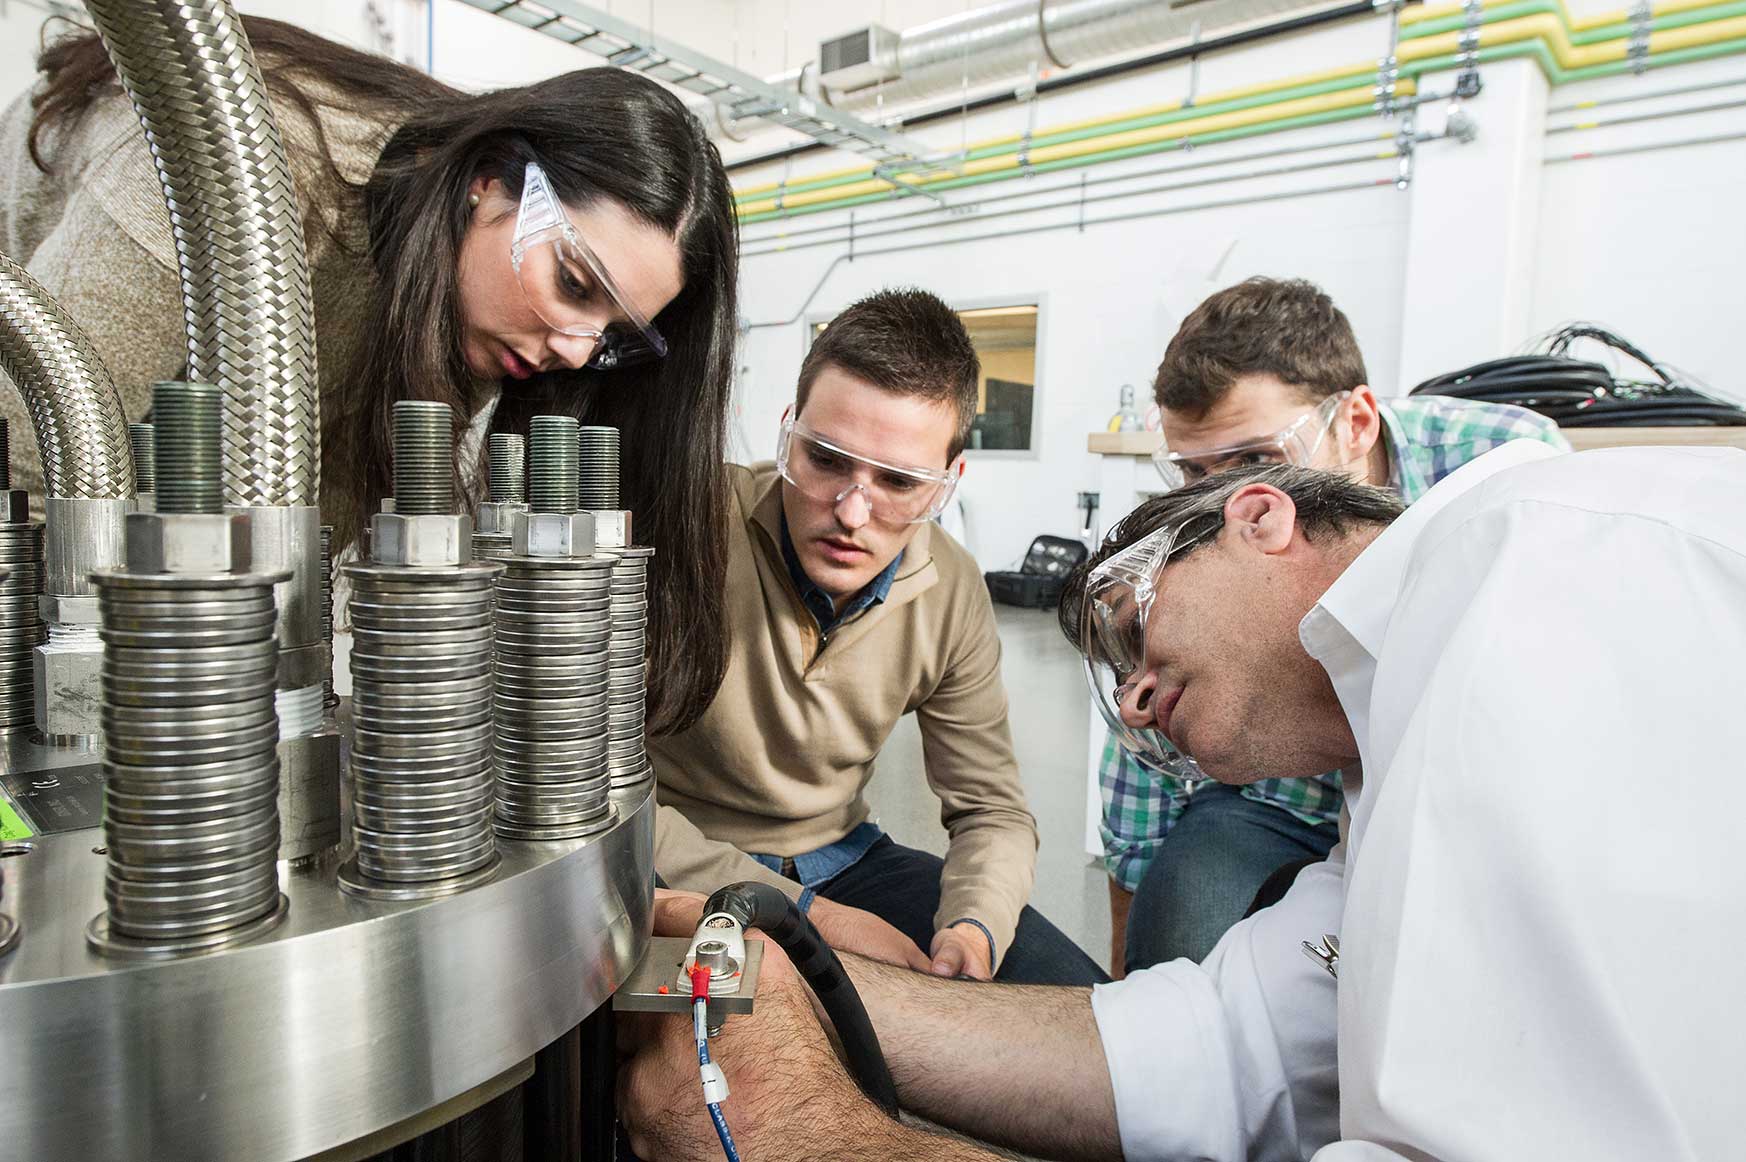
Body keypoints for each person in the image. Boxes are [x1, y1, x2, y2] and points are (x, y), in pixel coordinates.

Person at [620, 441, 1746, 1160]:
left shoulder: (1532, 570)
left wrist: (820, 1139)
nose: (1140, 704)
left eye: (1134, 632)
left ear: (1259, 517)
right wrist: (812, 983)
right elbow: (1221, 1048)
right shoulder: (1387, 756)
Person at [0, 16, 738, 736]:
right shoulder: (233, 179)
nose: (578, 352)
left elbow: (334, 545)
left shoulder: (481, 313)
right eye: (575, 285)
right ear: (489, 183)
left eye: (612, 333)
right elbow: (35, 471)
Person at [1102, 276, 1570, 972]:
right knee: (1182, 933)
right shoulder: (1202, 524)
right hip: (1271, 797)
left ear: (1355, 423)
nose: (1222, 503)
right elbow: (1154, 694)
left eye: (1257, 461)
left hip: (1437, 789)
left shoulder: (1496, 471)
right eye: (1192, 473)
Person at [649, 287, 1104, 985]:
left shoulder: (951, 589)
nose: (852, 513)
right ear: (787, 430)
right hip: (676, 859)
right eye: (826, 459)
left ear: (948, 482)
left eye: (898, 481)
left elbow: (992, 810)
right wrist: (812, 919)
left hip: (844, 859)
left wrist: (973, 928)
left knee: (1076, 1008)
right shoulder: (689, 527)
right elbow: (596, 794)